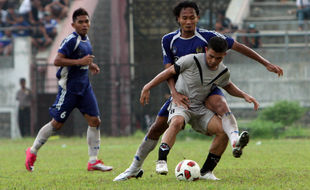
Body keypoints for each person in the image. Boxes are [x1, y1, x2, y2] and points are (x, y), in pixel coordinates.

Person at [113, 0, 283, 182]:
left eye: (192, 18)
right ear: (178, 19)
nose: (189, 21)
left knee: (221, 105)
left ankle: (228, 147)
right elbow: (169, 70)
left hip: (208, 89)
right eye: (184, 18)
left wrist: (266, 63)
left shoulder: (208, 37)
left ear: (198, 18)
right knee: (156, 128)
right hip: (183, 93)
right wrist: (174, 94)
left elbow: (238, 46)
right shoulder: (169, 40)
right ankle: (134, 168)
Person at [140, 36, 259, 179]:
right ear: (206, 50)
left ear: (225, 55)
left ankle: (206, 172)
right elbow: (168, 72)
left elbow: (228, 86)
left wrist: (244, 95)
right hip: (181, 104)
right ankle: (161, 160)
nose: (214, 61)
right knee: (176, 122)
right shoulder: (191, 60)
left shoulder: (222, 71)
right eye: (211, 56)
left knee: (223, 132)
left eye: (218, 58)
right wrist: (147, 87)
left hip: (200, 108)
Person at [25, 7, 113, 173]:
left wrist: (90, 64)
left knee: (95, 121)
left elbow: (81, 59)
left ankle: (93, 161)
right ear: (73, 24)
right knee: (57, 124)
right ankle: (32, 151)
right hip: (69, 89)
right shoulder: (71, 40)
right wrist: (80, 61)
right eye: (80, 22)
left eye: (86, 21)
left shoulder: (87, 40)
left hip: (84, 87)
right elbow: (58, 60)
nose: (84, 24)